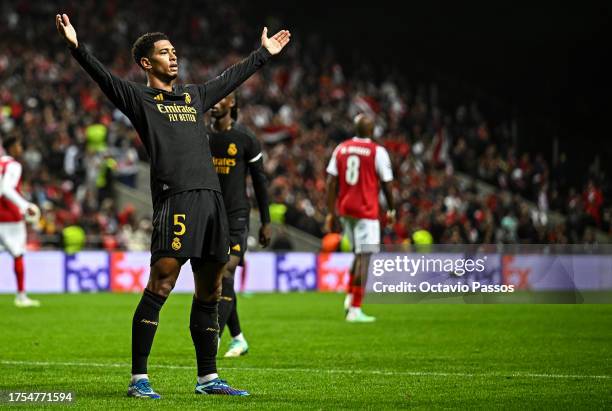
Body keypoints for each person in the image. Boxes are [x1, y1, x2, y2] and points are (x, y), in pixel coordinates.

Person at [56, 13, 290, 398]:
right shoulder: (140, 99)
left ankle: (208, 378)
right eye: (165, 53)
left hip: (212, 201)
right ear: (147, 63)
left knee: (211, 290)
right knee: (162, 282)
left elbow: (230, 79)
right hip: (176, 199)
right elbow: (105, 79)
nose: (174, 57)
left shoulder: (194, 96)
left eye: (174, 51)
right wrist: (76, 48)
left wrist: (262, 54)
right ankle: (139, 379)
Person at [208, 92, 271, 357]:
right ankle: (239, 338)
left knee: (225, 273)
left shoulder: (245, 139)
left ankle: (214, 339)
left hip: (236, 217)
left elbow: (259, 182)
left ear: (232, 103)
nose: (214, 103)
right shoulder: (203, 137)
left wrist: (266, 221)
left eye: (221, 99)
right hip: (209, 216)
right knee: (216, 279)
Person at [324, 114, 395, 323]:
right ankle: (355, 308)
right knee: (365, 258)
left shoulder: (342, 148)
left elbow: (330, 182)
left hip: (346, 210)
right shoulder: (377, 151)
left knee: (358, 255)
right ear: (371, 130)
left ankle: (348, 299)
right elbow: (387, 183)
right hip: (366, 211)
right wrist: (391, 209)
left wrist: (330, 212)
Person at [0, 137, 41, 308]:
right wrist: (26, 206)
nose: (20, 148)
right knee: (18, 254)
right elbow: (6, 189)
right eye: (18, 145)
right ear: (11, 147)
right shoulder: (14, 165)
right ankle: (21, 296)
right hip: (9, 217)